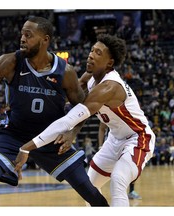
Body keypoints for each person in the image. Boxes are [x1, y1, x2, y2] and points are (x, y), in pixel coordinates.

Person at [0, 16, 109, 207]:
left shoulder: (65, 72)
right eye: (22, 34)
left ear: (45, 40)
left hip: (51, 138)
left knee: (88, 190)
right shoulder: (9, 62)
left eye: (28, 35)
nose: (22, 39)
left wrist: (71, 132)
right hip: (13, 135)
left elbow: (82, 109)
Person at [14, 33, 155, 207]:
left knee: (119, 180)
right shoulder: (90, 78)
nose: (90, 54)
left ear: (109, 63)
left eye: (98, 53)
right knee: (90, 187)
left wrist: (27, 147)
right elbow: (71, 100)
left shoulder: (109, 87)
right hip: (115, 138)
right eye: (91, 50)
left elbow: (70, 119)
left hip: (138, 137)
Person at [98, 122, 142, 200]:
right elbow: (102, 129)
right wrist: (100, 145)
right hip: (112, 146)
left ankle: (131, 191)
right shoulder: (108, 114)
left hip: (128, 144)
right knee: (108, 172)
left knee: (132, 167)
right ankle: (99, 190)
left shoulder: (131, 115)